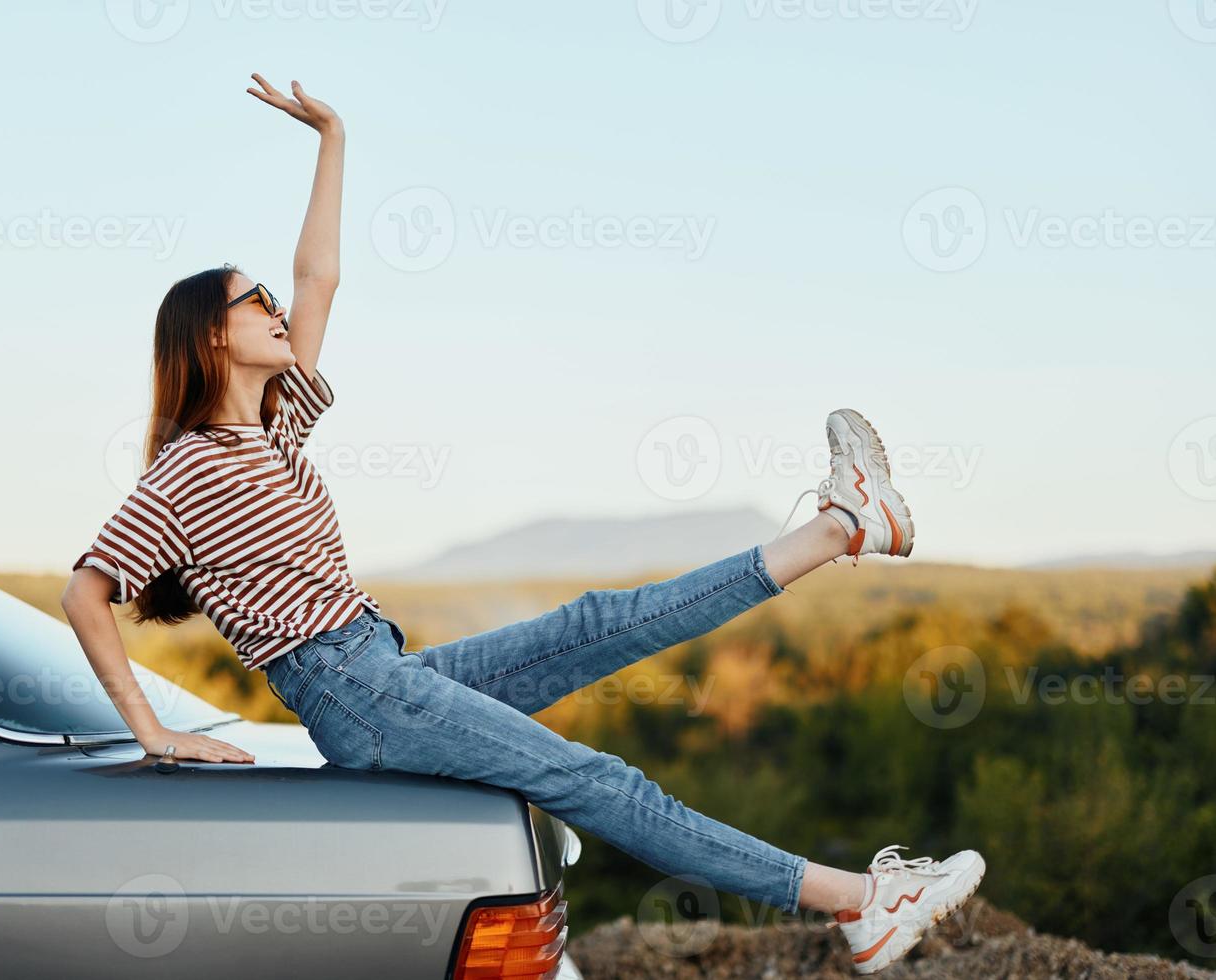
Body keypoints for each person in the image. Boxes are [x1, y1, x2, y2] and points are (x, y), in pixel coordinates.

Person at [60, 73, 984, 975]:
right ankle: (862, 906)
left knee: (598, 620)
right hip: (351, 694)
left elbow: (319, 276)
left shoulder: (277, 425)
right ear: (211, 337)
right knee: (597, 780)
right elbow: (86, 589)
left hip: (376, 667)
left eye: (267, 297)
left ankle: (843, 529)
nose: (273, 307)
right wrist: (154, 732)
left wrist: (333, 138)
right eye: (251, 301)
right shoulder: (187, 467)